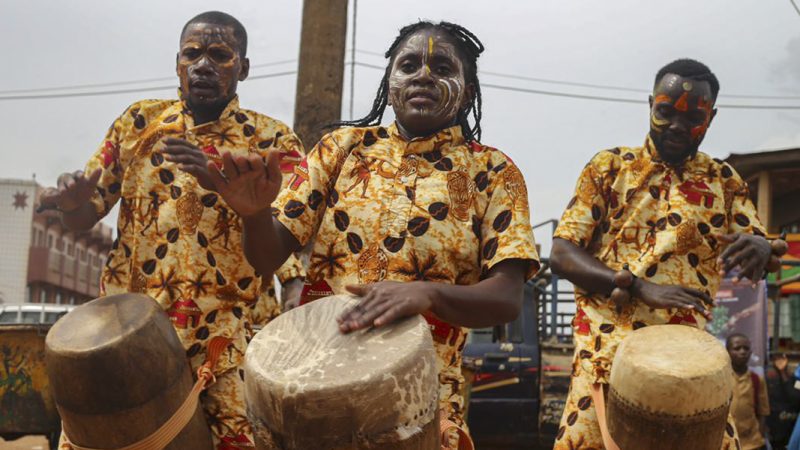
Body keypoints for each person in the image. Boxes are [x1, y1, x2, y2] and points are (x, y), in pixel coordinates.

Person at [201, 20, 539, 448]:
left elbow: (507, 297)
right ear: (390, 81)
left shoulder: (494, 173)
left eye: (441, 66)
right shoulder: (341, 149)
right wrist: (253, 215)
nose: (423, 75)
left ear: (468, 90)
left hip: (422, 403)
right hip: (313, 393)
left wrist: (428, 294)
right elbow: (267, 257)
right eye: (409, 64)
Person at [39, 11, 304, 448]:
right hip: (129, 334)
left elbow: (284, 242)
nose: (203, 65)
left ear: (243, 67)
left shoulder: (272, 142)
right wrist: (72, 207)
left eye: (220, 55)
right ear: (177, 63)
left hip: (227, 339)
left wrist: (223, 183)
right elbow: (86, 213)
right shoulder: (138, 123)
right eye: (192, 54)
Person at [550, 58, 779, 449]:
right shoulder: (609, 168)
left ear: (712, 118)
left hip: (690, 367)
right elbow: (561, 252)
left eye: (693, 118)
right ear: (649, 105)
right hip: (608, 356)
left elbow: (764, 252)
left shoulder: (724, 182)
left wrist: (762, 246)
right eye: (665, 111)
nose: (676, 125)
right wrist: (636, 286)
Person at [728, 334, 770, 450]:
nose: (742, 352)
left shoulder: (756, 379)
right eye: (737, 348)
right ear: (727, 352)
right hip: (727, 443)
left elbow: (763, 411)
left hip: (753, 443)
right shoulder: (721, 380)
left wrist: (760, 435)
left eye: (746, 348)